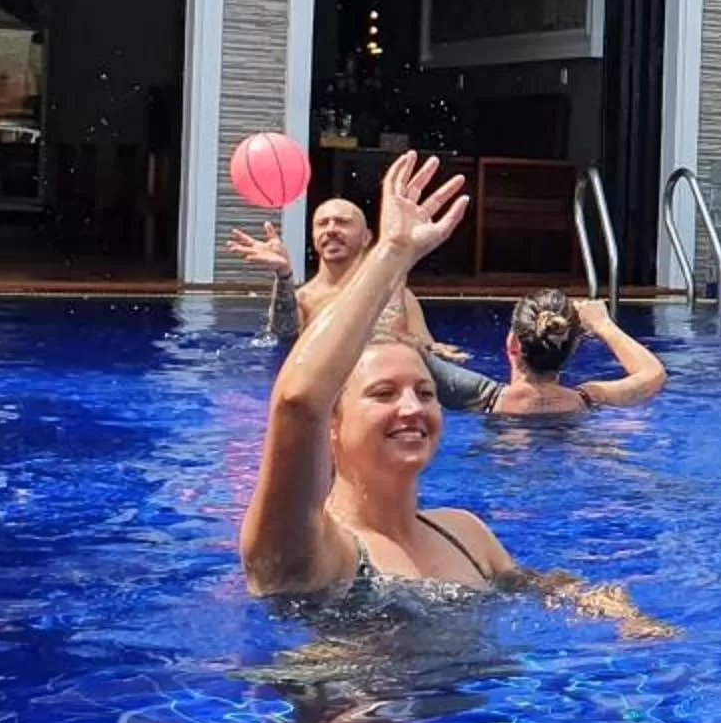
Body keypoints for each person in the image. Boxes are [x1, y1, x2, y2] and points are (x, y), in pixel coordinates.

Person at [240, 151, 670, 638]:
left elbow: (536, 588)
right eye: (383, 393)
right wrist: (393, 251)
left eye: (425, 392)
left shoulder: (465, 533)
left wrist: (612, 607)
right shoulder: (311, 550)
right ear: (332, 423)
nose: (412, 407)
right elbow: (297, 404)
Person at [227, 197, 467, 363]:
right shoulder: (303, 299)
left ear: (366, 238)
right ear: (313, 236)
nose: (331, 229)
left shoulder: (397, 294)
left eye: (342, 222)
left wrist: (443, 353)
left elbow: (427, 348)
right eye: (322, 223)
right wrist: (283, 275)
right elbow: (283, 339)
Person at [450, 290, 669, 417]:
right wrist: (603, 325)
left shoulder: (482, 398)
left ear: (513, 343)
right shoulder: (589, 399)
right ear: (573, 349)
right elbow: (653, 374)